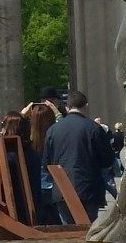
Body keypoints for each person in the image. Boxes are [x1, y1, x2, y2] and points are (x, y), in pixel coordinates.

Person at [43, 90, 114, 222]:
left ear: (67, 107)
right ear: (86, 106)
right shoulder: (94, 128)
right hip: (88, 188)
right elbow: (107, 160)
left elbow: (46, 162)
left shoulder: (52, 130)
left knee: (68, 232)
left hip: (62, 189)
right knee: (87, 231)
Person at [24, 102, 61, 224]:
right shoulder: (55, 136)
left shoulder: (27, 139)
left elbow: (11, 127)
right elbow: (65, 128)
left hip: (34, 187)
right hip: (55, 186)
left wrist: (23, 113)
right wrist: (57, 113)